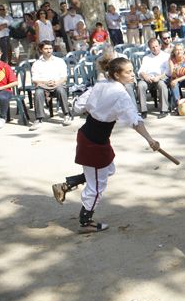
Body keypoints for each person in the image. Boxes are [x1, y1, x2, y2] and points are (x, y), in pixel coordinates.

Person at [50, 56, 161, 233]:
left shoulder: (101, 83)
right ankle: (85, 222)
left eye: (133, 71)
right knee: (97, 187)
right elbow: (134, 120)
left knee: (109, 170)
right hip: (93, 142)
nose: (133, 75)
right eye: (128, 72)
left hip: (91, 136)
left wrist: (96, 108)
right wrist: (150, 139)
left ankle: (68, 184)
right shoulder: (120, 94)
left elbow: (78, 106)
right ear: (117, 75)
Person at [29, 41, 72, 131]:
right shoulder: (37, 63)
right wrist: (45, 82)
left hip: (57, 84)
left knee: (60, 90)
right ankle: (39, 119)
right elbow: (34, 79)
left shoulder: (59, 61)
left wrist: (56, 82)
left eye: (50, 48)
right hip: (43, 85)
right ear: (41, 50)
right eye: (46, 48)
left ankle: (67, 115)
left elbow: (64, 77)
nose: (49, 51)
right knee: (38, 92)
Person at [136, 37, 170, 118]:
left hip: (161, 78)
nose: (155, 49)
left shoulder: (166, 56)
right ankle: (143, 110)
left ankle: (164, 110)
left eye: (156, 46)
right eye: (152, 47)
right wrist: (145, 76)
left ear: (160, 46)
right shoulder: (146, 58)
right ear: (150, 48)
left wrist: (159, 77)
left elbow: (168, 71)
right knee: (140, 85)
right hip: (149, 79)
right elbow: (141, 71)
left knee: (162, 85)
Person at [0, 45, 19, 128]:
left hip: (5, 90)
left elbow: (15, 83)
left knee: (2, 97)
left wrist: (0, 88)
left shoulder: (5, 66)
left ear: (0, 54)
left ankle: (2, 117)